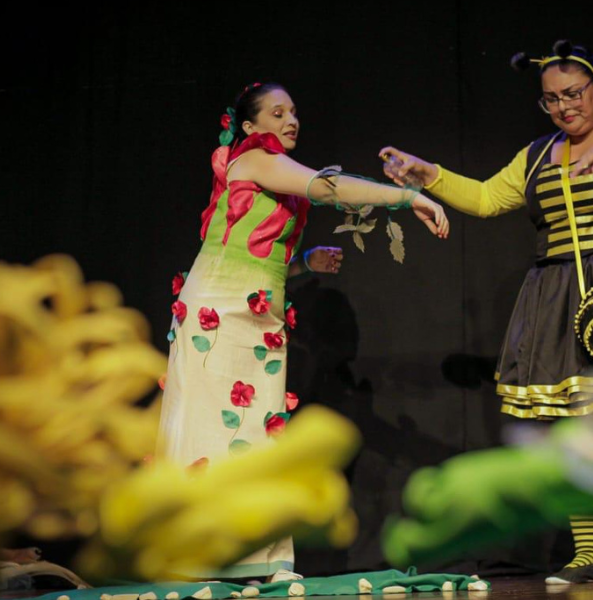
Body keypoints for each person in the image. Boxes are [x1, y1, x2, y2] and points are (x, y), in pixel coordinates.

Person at [380, 41, 593, 583]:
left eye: (573, 94)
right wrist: (431, 177)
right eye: (551, 100)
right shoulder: (539, 153)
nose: (564, 107)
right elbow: (490, 198)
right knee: (573, 425)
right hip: (562, 294)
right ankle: (588, 555)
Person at [156, 82, 449, 582]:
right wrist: (406, 197)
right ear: (250, 127)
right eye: (277, 112)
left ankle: (266, 559)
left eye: (293, 111)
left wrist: (303, 262)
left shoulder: (270, 172)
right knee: (215, 430)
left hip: (257, 315)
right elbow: (330, 188)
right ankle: (196, 555)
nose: (291, 120)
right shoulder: (253, 158)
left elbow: (255, 247)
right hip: (220, 311)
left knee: (260, 433)